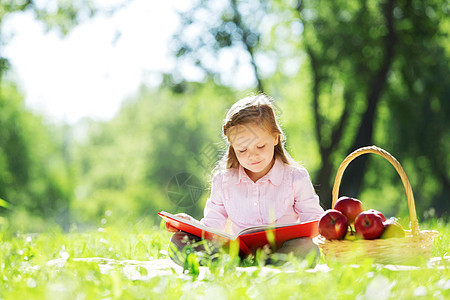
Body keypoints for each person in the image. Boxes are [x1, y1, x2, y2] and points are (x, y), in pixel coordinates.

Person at [165, 94, 324, 266]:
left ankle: (265, 265)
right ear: (233, 147)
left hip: (281, 250)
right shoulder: (223, 180)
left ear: (275, 137)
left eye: (260, 146)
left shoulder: (295, 178)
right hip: (234, 253)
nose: (252, 155)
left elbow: (315, 220)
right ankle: (236, 263)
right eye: (242, 150)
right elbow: (212, 226)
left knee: (307, 248)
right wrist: (189, 224)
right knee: (179, 241)